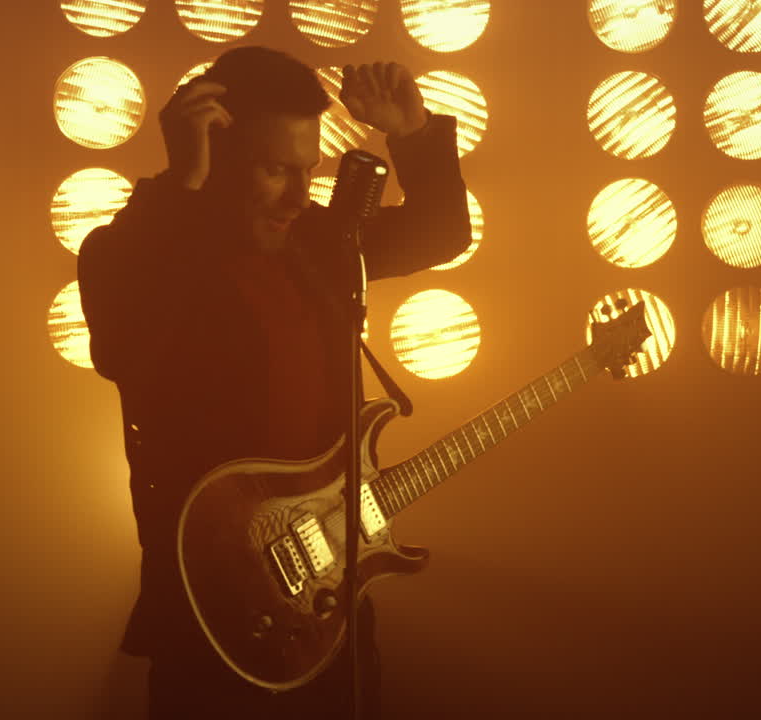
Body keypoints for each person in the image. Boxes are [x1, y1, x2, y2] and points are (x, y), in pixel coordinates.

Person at [76, 46, 471, 718]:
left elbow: (440, 232)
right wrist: (180, 185)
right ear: (215, 151)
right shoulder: (130, 250)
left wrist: (412, 131)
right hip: (212, 618)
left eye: (308, 171)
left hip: (328, 606)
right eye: (274, 170)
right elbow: (126, 351)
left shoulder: (318, 244)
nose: (298, 194)